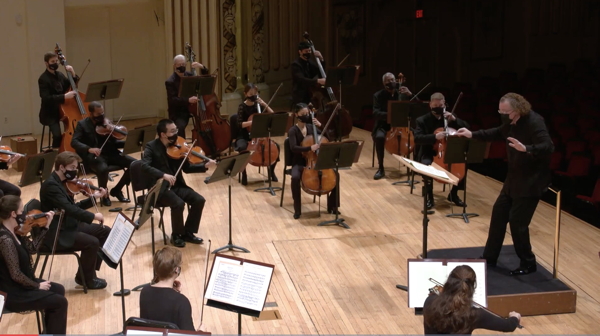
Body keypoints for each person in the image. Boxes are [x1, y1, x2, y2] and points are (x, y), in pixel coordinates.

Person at [456, 93, 554, 275]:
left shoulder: (534, 121)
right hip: (513, 180)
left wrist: (527, 148)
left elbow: (548, 146)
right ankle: (489, 258)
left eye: (505, 111)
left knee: (518, 224)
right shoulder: (511, 123)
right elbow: (495, 132)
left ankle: (528, 263)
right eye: (500, 110)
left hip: (530, 183)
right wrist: (471, 134)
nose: (502, 114)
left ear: (517, 110)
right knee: (498, 216)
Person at [40, 151, 111, 289]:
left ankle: (86, 273)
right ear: (61, 167)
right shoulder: (51, 186)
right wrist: (93, 216)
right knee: (92, 242)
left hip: (68, 224)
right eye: (72, 168)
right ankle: (86, 279)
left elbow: (73, 206)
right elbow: (70, 209)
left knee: (104, 231)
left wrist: (94, 196)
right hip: (57, 232)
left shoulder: (61, 182)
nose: (75, 171)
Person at [140, 119, 215, 247]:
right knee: (178, 204)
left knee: (199, 200)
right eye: (173, 131)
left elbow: (186, 168)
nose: (176, 133)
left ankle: (188, 232)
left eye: (176, 130)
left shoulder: (178, 146)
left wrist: (204, 166)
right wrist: (163, 175)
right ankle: (176, 235)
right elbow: (144, 166)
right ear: (163, 134)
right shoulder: (151, 147)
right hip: (160, 189)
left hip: (177, 185)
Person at [0, 195, 68, 335]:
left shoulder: (16, 232)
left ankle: (50, 332)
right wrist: (37, 285)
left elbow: (31, 249)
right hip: (13, 292)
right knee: (60, 302)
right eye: (21, 211)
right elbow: (15, 274)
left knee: (58, 289)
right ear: (13, 214)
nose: (24, 214)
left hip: (23, 283)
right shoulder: (5, 239)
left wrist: (46, 228)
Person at [423, 265, 521, 334]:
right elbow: (508, 326)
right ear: (472, 287)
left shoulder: (430, 302)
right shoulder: (473, 314)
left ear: (449, 282)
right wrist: (515, 317)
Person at [71, 101, 135, 206]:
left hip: (112, 153)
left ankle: (117, 190)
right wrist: (89, 149)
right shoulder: (82, 125)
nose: (102, 116)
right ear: (91, 113)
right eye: (98, 114)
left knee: (135, 164)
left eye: (103, 113)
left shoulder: (107, 123)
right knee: (103, 169)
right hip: (95, 156)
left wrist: (129, 142)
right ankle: (104, 194)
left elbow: (115, 143)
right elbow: (74, 142)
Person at [414, 92, 469, 209]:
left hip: (448, 151)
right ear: (430, 105)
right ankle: (430, 197)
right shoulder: (422, 120)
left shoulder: (449, 118)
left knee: (462, 165)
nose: (438, 108)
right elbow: (417, 138)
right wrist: (434, 137)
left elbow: (466, 128)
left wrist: (455, 119)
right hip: (430, 152)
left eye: (441, 106)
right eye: (435, 106)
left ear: (444, 105)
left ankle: (453, 194)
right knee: (426, 165)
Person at [288, 103, 338, 219]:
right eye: (303, 114)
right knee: (295, 177)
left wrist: (321, 126)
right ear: (297, 115)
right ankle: (297, 209)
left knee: (336, 175)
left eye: (307, 113)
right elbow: (293, 148)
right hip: (300, 162)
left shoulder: (311, 128)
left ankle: (333, 206)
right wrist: (309, 148)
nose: (306, 115)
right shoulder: (293, 130)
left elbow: (328, 139)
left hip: (315, 161)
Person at [140, 246, 206, 331]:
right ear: (176, 270)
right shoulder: (182, 302)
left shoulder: (145, 292)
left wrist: (173, 292)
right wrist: (201, 332)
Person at [235, 82, 279, 185]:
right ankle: (244, 173)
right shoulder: (242, 106)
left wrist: (265, 104)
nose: (253, 96)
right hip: (245, 136)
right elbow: (239, 124)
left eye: (255, 93)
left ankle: (271, 171)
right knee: (242, 148)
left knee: (276, 147)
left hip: (259, 136)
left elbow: (273, 114)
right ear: (245, 94)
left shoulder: (258, 105)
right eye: (251, 94)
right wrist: (252, 122)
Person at [372, 72, 413, 180]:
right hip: (384, 125)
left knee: (416, 136)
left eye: (392, 80)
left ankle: (414, 168)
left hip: (401, 125)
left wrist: (410, 95)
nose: (391, 82)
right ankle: (381, 168)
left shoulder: (402, 93)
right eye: (388, 81)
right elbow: (375, 112)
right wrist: (390, 114)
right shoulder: (378, 95)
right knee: (379, 137)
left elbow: (414, 106)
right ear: (384, 83)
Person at [38, 51, 78, 150]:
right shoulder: (43, 79)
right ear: (46, 63)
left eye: (56, 61)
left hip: (63, 109)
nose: (55, 63)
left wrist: (72, 72)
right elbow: (46, 98)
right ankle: (56, 155)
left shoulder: (60, 75)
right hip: (50, 113)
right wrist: (64, 97)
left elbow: (70, 86)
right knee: (57, 136)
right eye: (52, 61)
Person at [165, 54, 208, 138]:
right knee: (179, 127)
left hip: (194, 107)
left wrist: (202, 67)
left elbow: (204, 80)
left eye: (183, 64)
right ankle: (182, 148)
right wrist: (188, 100)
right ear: (174, 66)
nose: (182, 66)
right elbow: (172, 100)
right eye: (179, 65)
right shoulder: (170, 82)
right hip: (179, 112)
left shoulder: (189, 75)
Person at [291, 41, 326, 106]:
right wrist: (317, 81)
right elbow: (301, 80)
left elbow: (319, 71)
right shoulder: (295, 64)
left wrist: (321, 59)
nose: (308, 53)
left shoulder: (310, 62)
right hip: (300, 95)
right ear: (300, 52)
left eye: (309, 51)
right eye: (306, 51)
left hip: (310, 93)